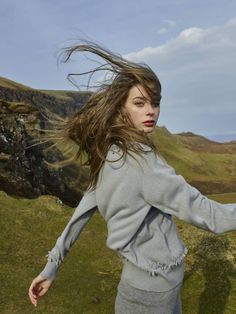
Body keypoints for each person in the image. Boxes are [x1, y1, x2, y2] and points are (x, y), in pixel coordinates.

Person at [28, 40, 236, 314]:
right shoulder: (143, 165)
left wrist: (52, 266)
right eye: (139, 103)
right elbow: (213, 217)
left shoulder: (110, 153)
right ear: (120, 109)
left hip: (149, 285)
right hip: (151, 293)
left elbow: (80, 213)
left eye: (155, 102)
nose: (151, 110)